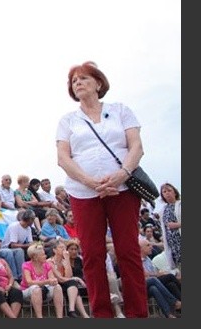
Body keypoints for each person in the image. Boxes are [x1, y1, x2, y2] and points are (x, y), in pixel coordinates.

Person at [56, 61, 148, 318]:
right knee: (93, 255)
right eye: (74, 81)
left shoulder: (121, 110)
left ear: (98, 83)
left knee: (128, 251)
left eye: (84, 78)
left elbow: (136, 147)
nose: (79, 83)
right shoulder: (67, 121)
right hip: (84, 193)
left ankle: (138, 314)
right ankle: (102, 314)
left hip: (123, 190)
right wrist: (90, 182)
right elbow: (63, 158)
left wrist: (121, 175)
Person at [21, 244, 64, 318]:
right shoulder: (26, 265)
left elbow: (52, 279)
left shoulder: (47, 265)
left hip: (44, 290)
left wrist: (54, 281)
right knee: (36, 288)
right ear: (35, 257)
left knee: (57, 287)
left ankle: (60, 317)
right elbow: (29, 282)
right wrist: (47, 281)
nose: (46, 256)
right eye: (43, 255)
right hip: (28, 292)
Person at [48, 239, 90, 318]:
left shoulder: (65, 260)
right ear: (54, 250)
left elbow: (68, 276)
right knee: (73, 283)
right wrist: (77, 278)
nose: (64, 250)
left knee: (73, 284)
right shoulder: (50, 262)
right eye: (61, 248)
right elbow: (60, 278)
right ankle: (83, 314)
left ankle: (72, 310)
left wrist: (67, 261)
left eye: (64, 248)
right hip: (54, 284)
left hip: (64, 283)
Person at [0, 209, 36, 282]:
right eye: (33, 219)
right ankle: (17, 276)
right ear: (29, 220)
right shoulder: (15, 226)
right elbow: (13, 245)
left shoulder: (28, 229)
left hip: (17, 247)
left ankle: (29, 274)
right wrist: (28, 245)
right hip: (6, 248)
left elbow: (30, 242)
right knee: (19, 251)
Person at [158, 183, 181, 272]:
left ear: (174, 192)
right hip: (173, 245)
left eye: (169, 190)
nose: (167, 193)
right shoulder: (162, 211)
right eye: (164, 192)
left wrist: (177, 225)